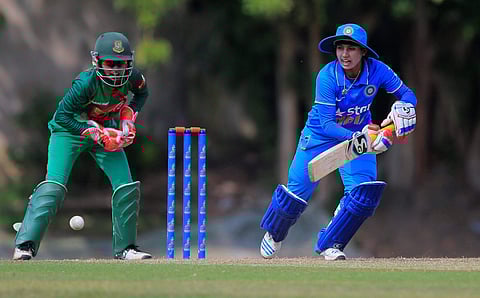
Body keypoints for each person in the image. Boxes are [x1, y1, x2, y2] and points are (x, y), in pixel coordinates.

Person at [259, 23, 417, 260]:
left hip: (359, 135)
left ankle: (331, 243)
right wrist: (361, 138)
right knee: (296, 193)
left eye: (351, 49)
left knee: (362, 194)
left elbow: (408, 95)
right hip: (320, 135)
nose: (345, 54)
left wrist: (398, 117)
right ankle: (274, 234)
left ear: (363, 51)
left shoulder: (378, 70)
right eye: (341, 48)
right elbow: (326, 125)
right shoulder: (327, 76)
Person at [13, 32, 152, 260]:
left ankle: (127, 249)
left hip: (105, 130)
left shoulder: (134, 78)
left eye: (123, 64)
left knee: (126, 186)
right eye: (111, 64)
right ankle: (24, 245)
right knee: (54, 186)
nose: (117, 70)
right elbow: (62, 117)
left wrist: (128, 117)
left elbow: (142, 94)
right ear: (97, 62)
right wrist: (94, 133)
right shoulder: (85, 83)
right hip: (69, 132)